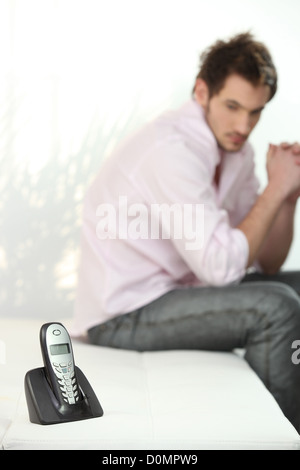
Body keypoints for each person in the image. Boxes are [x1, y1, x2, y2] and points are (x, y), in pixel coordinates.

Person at [72, 32, 300, 432]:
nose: (243, 125)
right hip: (125, 312)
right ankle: (279, 435)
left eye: (255, 112)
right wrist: (275, 188)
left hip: (182, 292)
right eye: (232, 106)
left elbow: (266, 259)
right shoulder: (170, 150)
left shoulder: (236, 153)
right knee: (276, 308)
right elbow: (222, 269)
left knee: (294, 286)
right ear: (201, 92)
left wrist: (288, 196)